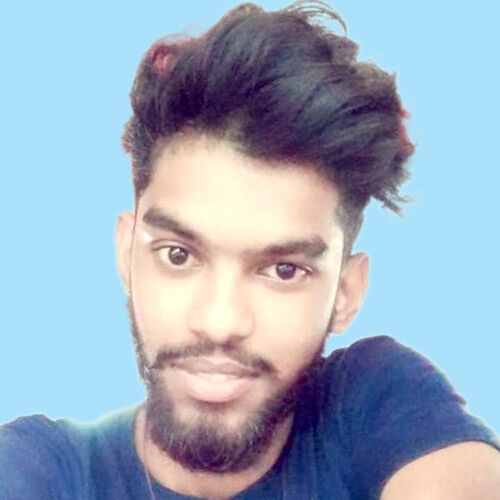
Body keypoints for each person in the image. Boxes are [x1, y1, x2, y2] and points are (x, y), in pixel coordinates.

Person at [1, 1, 499, 498]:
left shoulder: (376, 400)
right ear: (127, 255)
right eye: (178, 255)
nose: (219, 323)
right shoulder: (42, 466)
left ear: (346, 293)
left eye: (283, 270)